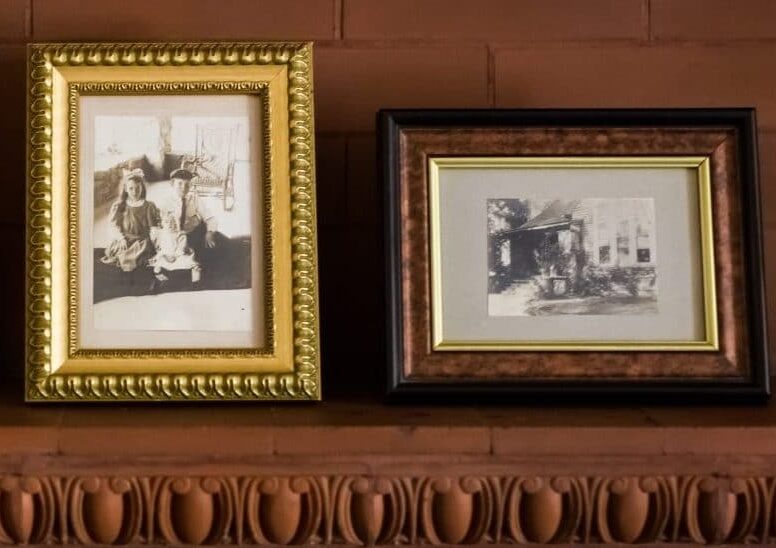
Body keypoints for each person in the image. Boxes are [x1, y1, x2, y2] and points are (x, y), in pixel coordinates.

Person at [100, 168, 161, 272]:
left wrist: (157, 245)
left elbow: (153, 229)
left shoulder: (149, 206)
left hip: (142, 241)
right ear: (126, 189)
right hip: (125, 239)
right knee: (120, 253)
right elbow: (113, 225)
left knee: (139, 257)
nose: (135, 191)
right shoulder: (120, 206)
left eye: (138, 188)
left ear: (142, 188)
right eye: (131, 188)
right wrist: (120, 239)